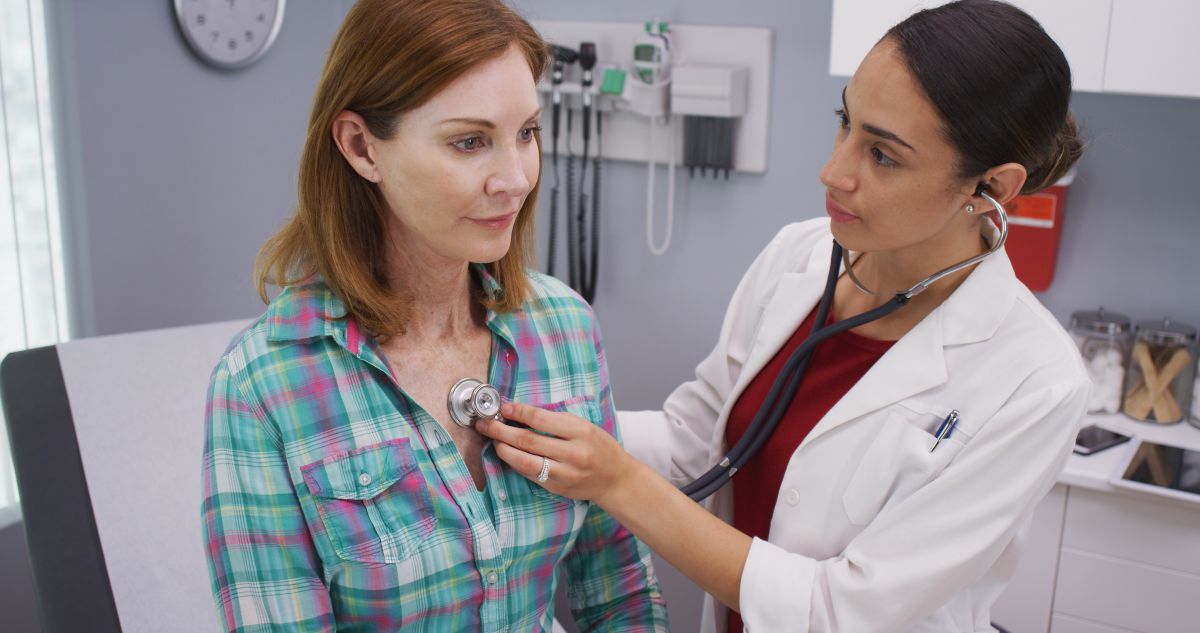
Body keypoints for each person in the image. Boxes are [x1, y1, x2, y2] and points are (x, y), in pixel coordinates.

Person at [478, 1, 1088, 631]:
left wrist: (618, 482)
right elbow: (696, 441)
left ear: (992, 187)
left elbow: (839, 610)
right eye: (845, 123)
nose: (834, 172)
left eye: (883, 155)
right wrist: (531, 420)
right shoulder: (800, 255)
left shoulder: (1035, 381)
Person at [200, 1, 668, 631]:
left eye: (527, 133)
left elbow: (621, 597)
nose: (516, 179)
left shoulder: (564, 328)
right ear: (362, 147)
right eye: (470, 141)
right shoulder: (262, 387)